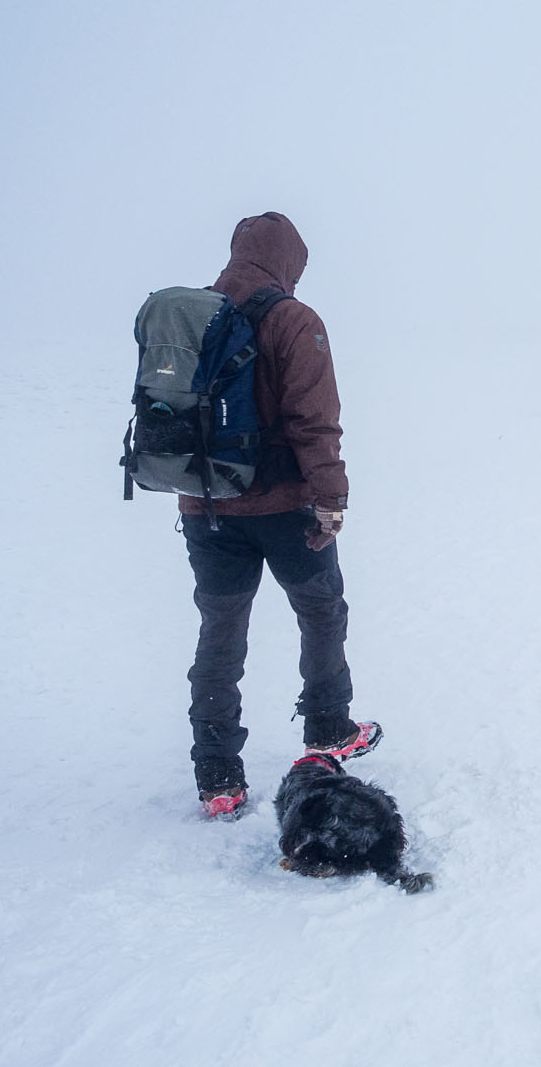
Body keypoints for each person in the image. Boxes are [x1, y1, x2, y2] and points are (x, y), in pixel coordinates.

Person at [180, 212, 379, 818]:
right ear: (288, 260)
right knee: (321, 612)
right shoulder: (294, 320)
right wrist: (332, 500)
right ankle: (327, 731)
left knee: (221, 629)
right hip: (288, 505)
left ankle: (217, 775)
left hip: (207, 505)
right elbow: (315, 421)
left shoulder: (191, 316)